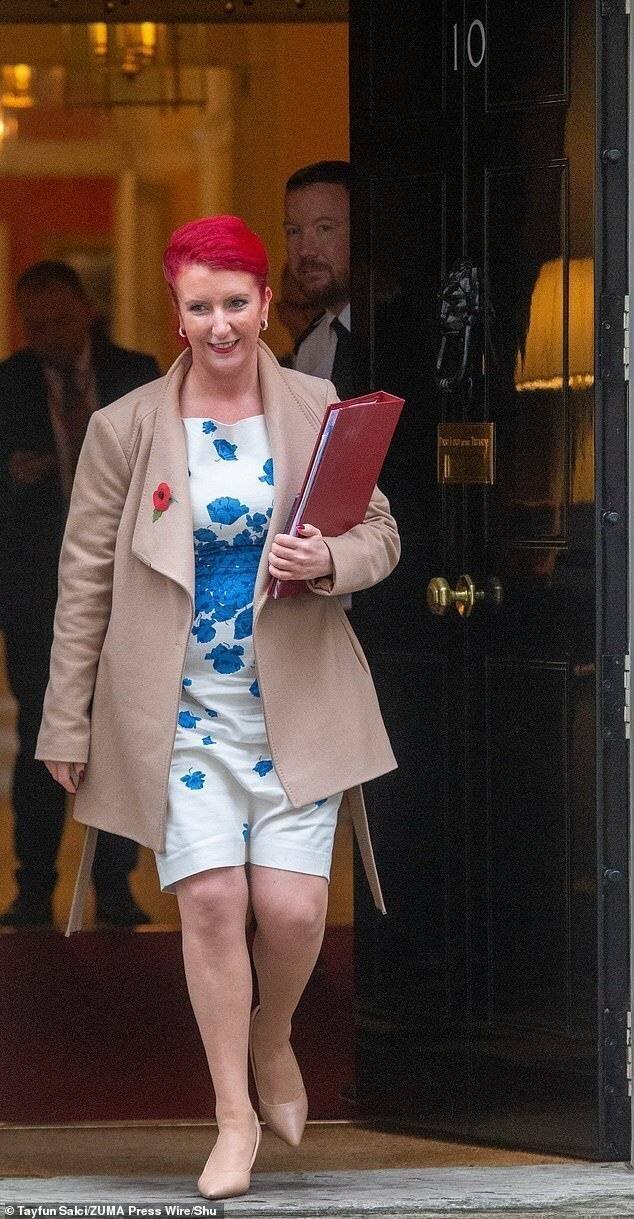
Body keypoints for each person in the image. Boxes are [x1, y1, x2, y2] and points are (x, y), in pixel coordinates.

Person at [34, 216, 400, 1200]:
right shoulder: (126, 429)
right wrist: (66, 722)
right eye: (200, 306)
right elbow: (83, 584)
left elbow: (378, 533)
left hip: (294, 702)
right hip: (184, 709)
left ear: (264, 304)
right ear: (177, 312)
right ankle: (232, 1113)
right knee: (208, 901)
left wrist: (327, 559)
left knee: (288, 909)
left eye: (236, 302)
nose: (221, 323)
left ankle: (273, 1037)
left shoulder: (320, 405)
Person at [0, 261, 159, 929]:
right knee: (43, 733)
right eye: (35, 326)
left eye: (60, 321)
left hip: (126, 587)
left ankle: (115, 884)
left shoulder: (136, 372)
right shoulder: (7, 384)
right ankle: (34, 886)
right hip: (38, 591)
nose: (49, 336)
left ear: (87, 309)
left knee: (117, 738)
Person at [284, 160, 358, 398]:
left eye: (324, 228)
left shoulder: (406, 334)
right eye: (294, 231)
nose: (305, 250)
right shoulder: (310, 348)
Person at [273, 263, 320, 368]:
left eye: (317, 307)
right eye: (303, 307)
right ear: (283, 312)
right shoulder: (266, 376)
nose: (311, 316)